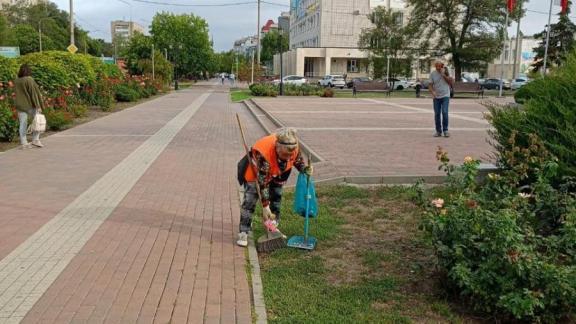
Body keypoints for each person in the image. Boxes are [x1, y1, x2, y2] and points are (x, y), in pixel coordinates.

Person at [236, 128, 312, 247]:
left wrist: (305, 169)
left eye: (290, 155)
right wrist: (265, 205)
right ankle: (244, 231)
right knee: (250, 201)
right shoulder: (265, 154)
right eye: (284, 154)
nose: (287, 158)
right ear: (277, 147)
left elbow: (298, 162)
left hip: (279, 172)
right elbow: (263, 182)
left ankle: (272, 227)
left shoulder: (293, 148)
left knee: (276, 199)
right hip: (256, 171)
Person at [14, 64, 44, 149]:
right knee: (37, 122)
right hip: (30, 105)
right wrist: (38, 106)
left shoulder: (17, 80)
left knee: (23, 124)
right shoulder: (29, 79)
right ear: (29, 71)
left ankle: (24, 143)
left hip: (20, 105)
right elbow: (33, 93)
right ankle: (35, 139)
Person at [429, 60, 454, 138]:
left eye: (440, 66)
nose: (438, 68)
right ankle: (438, 131)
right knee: (437, 114)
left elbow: (451, 82)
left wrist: (443, 75)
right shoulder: (433, 74)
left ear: (442, 66)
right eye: (437, 66)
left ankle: (445, 130)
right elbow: (430, 85)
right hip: (436, 96)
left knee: (444, 112)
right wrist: (433, 92)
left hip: (445, 95)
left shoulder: (447, 72)